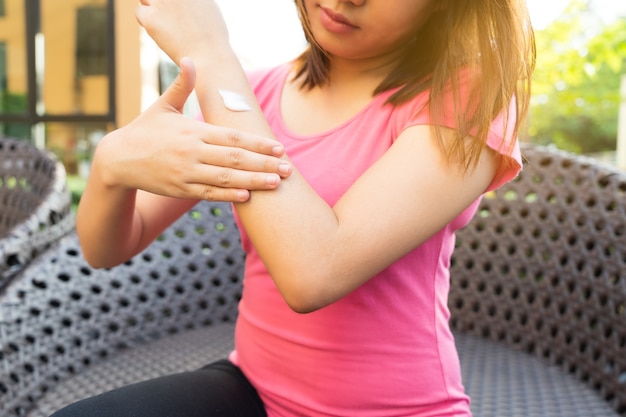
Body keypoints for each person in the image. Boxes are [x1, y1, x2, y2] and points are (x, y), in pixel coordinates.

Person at [52, 0, 535, 416]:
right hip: (254, 391)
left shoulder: (467, 98)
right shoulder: (256, 95)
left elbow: (315, 273)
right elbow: (110, 246)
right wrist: (111, 167)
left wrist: (213, 54)